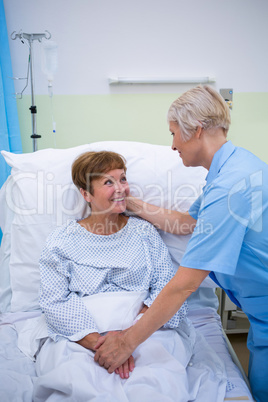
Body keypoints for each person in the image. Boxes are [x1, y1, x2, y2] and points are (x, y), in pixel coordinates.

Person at [94, 85, 268, 402]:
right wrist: (131, 204)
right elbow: (189, 223)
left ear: (195, 130)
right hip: (260, 312)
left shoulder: (230, 186)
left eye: (174, 133)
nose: (172, 145)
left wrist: (126, 342)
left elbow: (186, 284)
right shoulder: (235, 167)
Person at [33, 150, 227, 401]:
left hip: (146, 331)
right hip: (82, 336)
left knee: (155, 380)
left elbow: (165, 287)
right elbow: (54, 301)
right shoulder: (61, 242)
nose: (121, 188)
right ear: (86, 194)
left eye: (122, 179)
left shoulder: (144, 233)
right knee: (77, 379)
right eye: (108, 182)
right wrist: (100, 344)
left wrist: (129, 339)